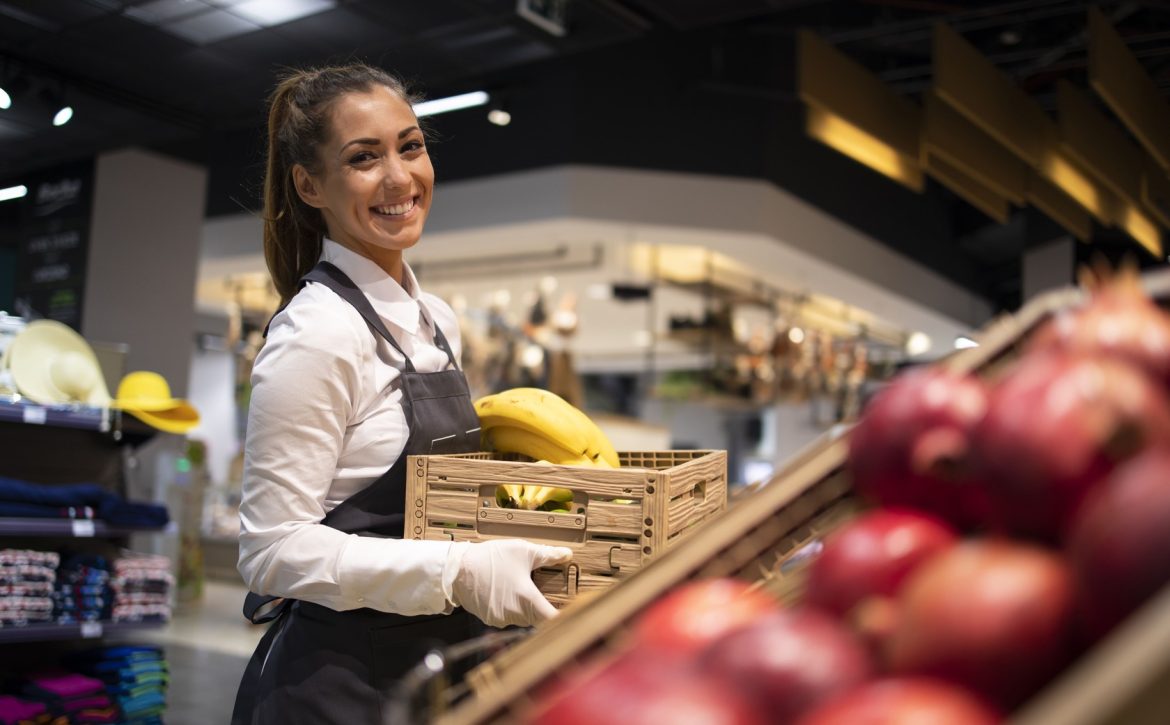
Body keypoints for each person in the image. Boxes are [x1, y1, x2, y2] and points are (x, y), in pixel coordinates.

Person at [231, 63, 572, 725]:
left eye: (409, 146)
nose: (399, 177)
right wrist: (457, 573)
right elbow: (270, 551)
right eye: (363, 158)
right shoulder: (317, 333)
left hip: (434, 671)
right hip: (334, 688)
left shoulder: (435, 319)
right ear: (310, 185)